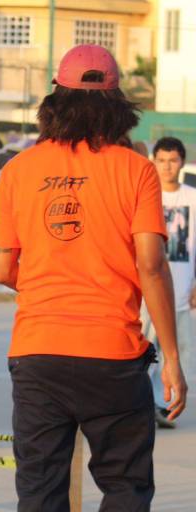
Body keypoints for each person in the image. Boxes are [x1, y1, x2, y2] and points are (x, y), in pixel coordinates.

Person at [0, 45, 187, 511]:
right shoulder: (137, 170)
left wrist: (50, 280)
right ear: (117, 102)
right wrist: (172, 358)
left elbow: (1, 269)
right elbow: (151, 265)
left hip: (37, 352)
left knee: (40, 492)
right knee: (125, 487)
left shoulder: (17, 170)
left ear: (54, 98)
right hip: (112, 354)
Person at [142, 136, 195, 428]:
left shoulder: (192, 198)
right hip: (148, 293)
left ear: (182, 163)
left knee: (179, 353)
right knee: (145, 351)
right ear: (154, 162)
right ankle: (143, 404)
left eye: (173, 160)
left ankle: (163, 405)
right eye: (161, 160)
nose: (167, 167)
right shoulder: (147, 194)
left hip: (182, 290)